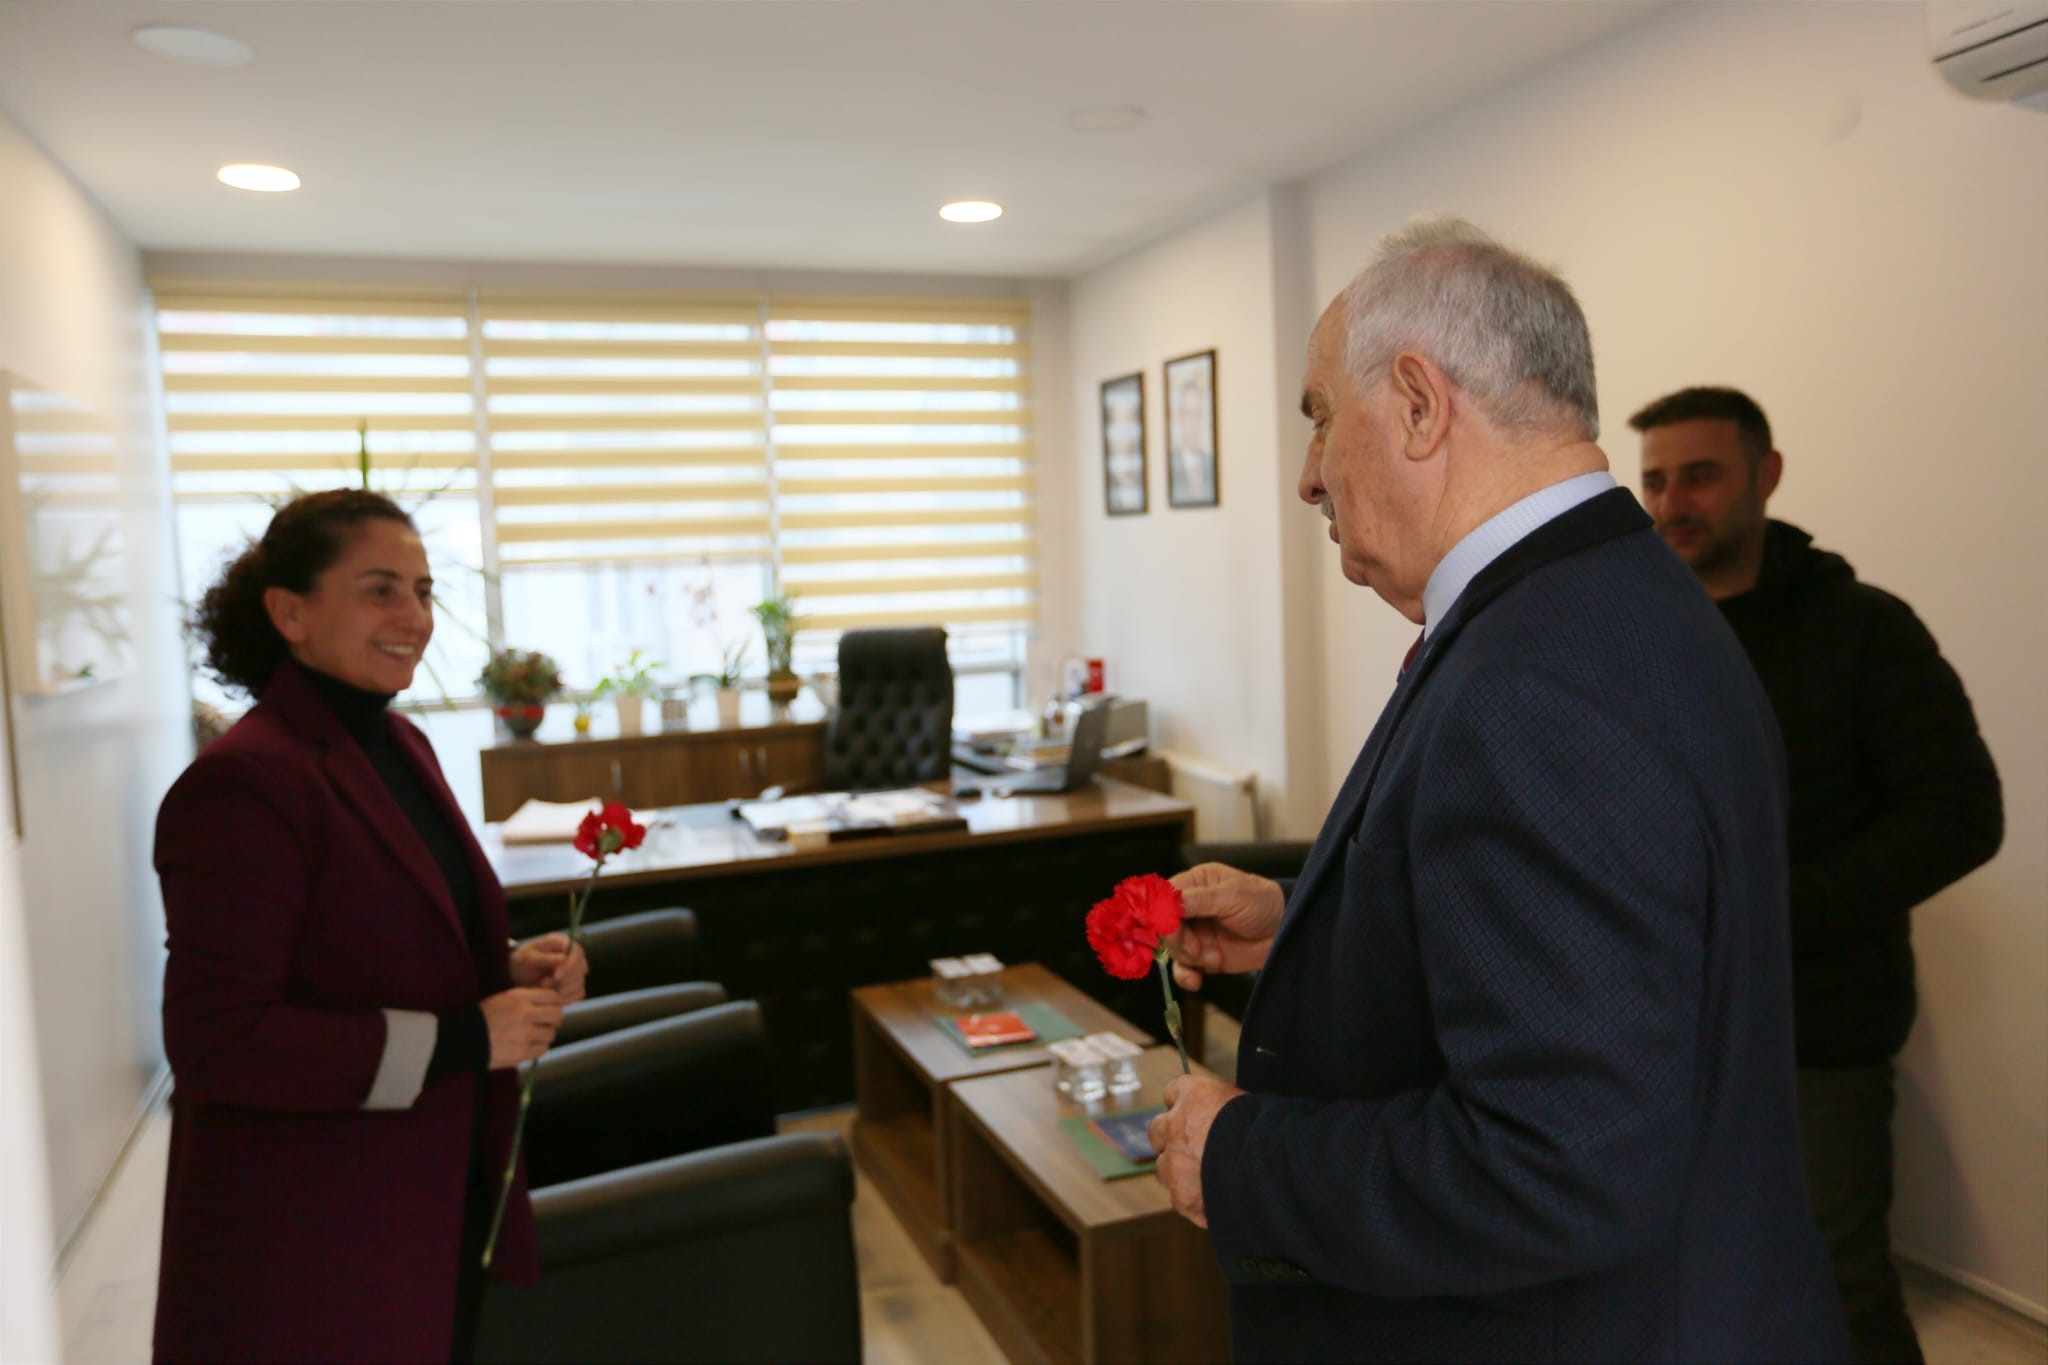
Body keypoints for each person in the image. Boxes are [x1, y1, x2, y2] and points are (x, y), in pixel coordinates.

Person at [1147, 217, 1847, 1362]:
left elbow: (1556, 1164)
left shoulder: (1538, 683)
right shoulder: (1613, 597)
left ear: (1419, 404)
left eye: (1319, 416)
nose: (1308, 475)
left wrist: (1242, 1158)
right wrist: (1316, 927)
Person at [152, 489, 587, 1363]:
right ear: (290, 612)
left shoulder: (401, 746)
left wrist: (504, 966)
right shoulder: (243, 782)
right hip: (313, 1233)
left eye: (423, 592)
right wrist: (469, 1037)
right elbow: (218, 1039)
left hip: (433, 1186)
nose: (415, 618)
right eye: (380, 589)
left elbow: (366, 941)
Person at [1631, 386, 2003, 1363]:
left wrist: (1777, 912)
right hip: (1661, 1023)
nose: (1671, 504)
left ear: (1766, 475)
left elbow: (1960, 813)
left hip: (1818, 1028)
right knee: (1676, 1279)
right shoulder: (1640, 635)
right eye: (1655, 481)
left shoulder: (1863, 629)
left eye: (1699, 477)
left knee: (1836, 1292)